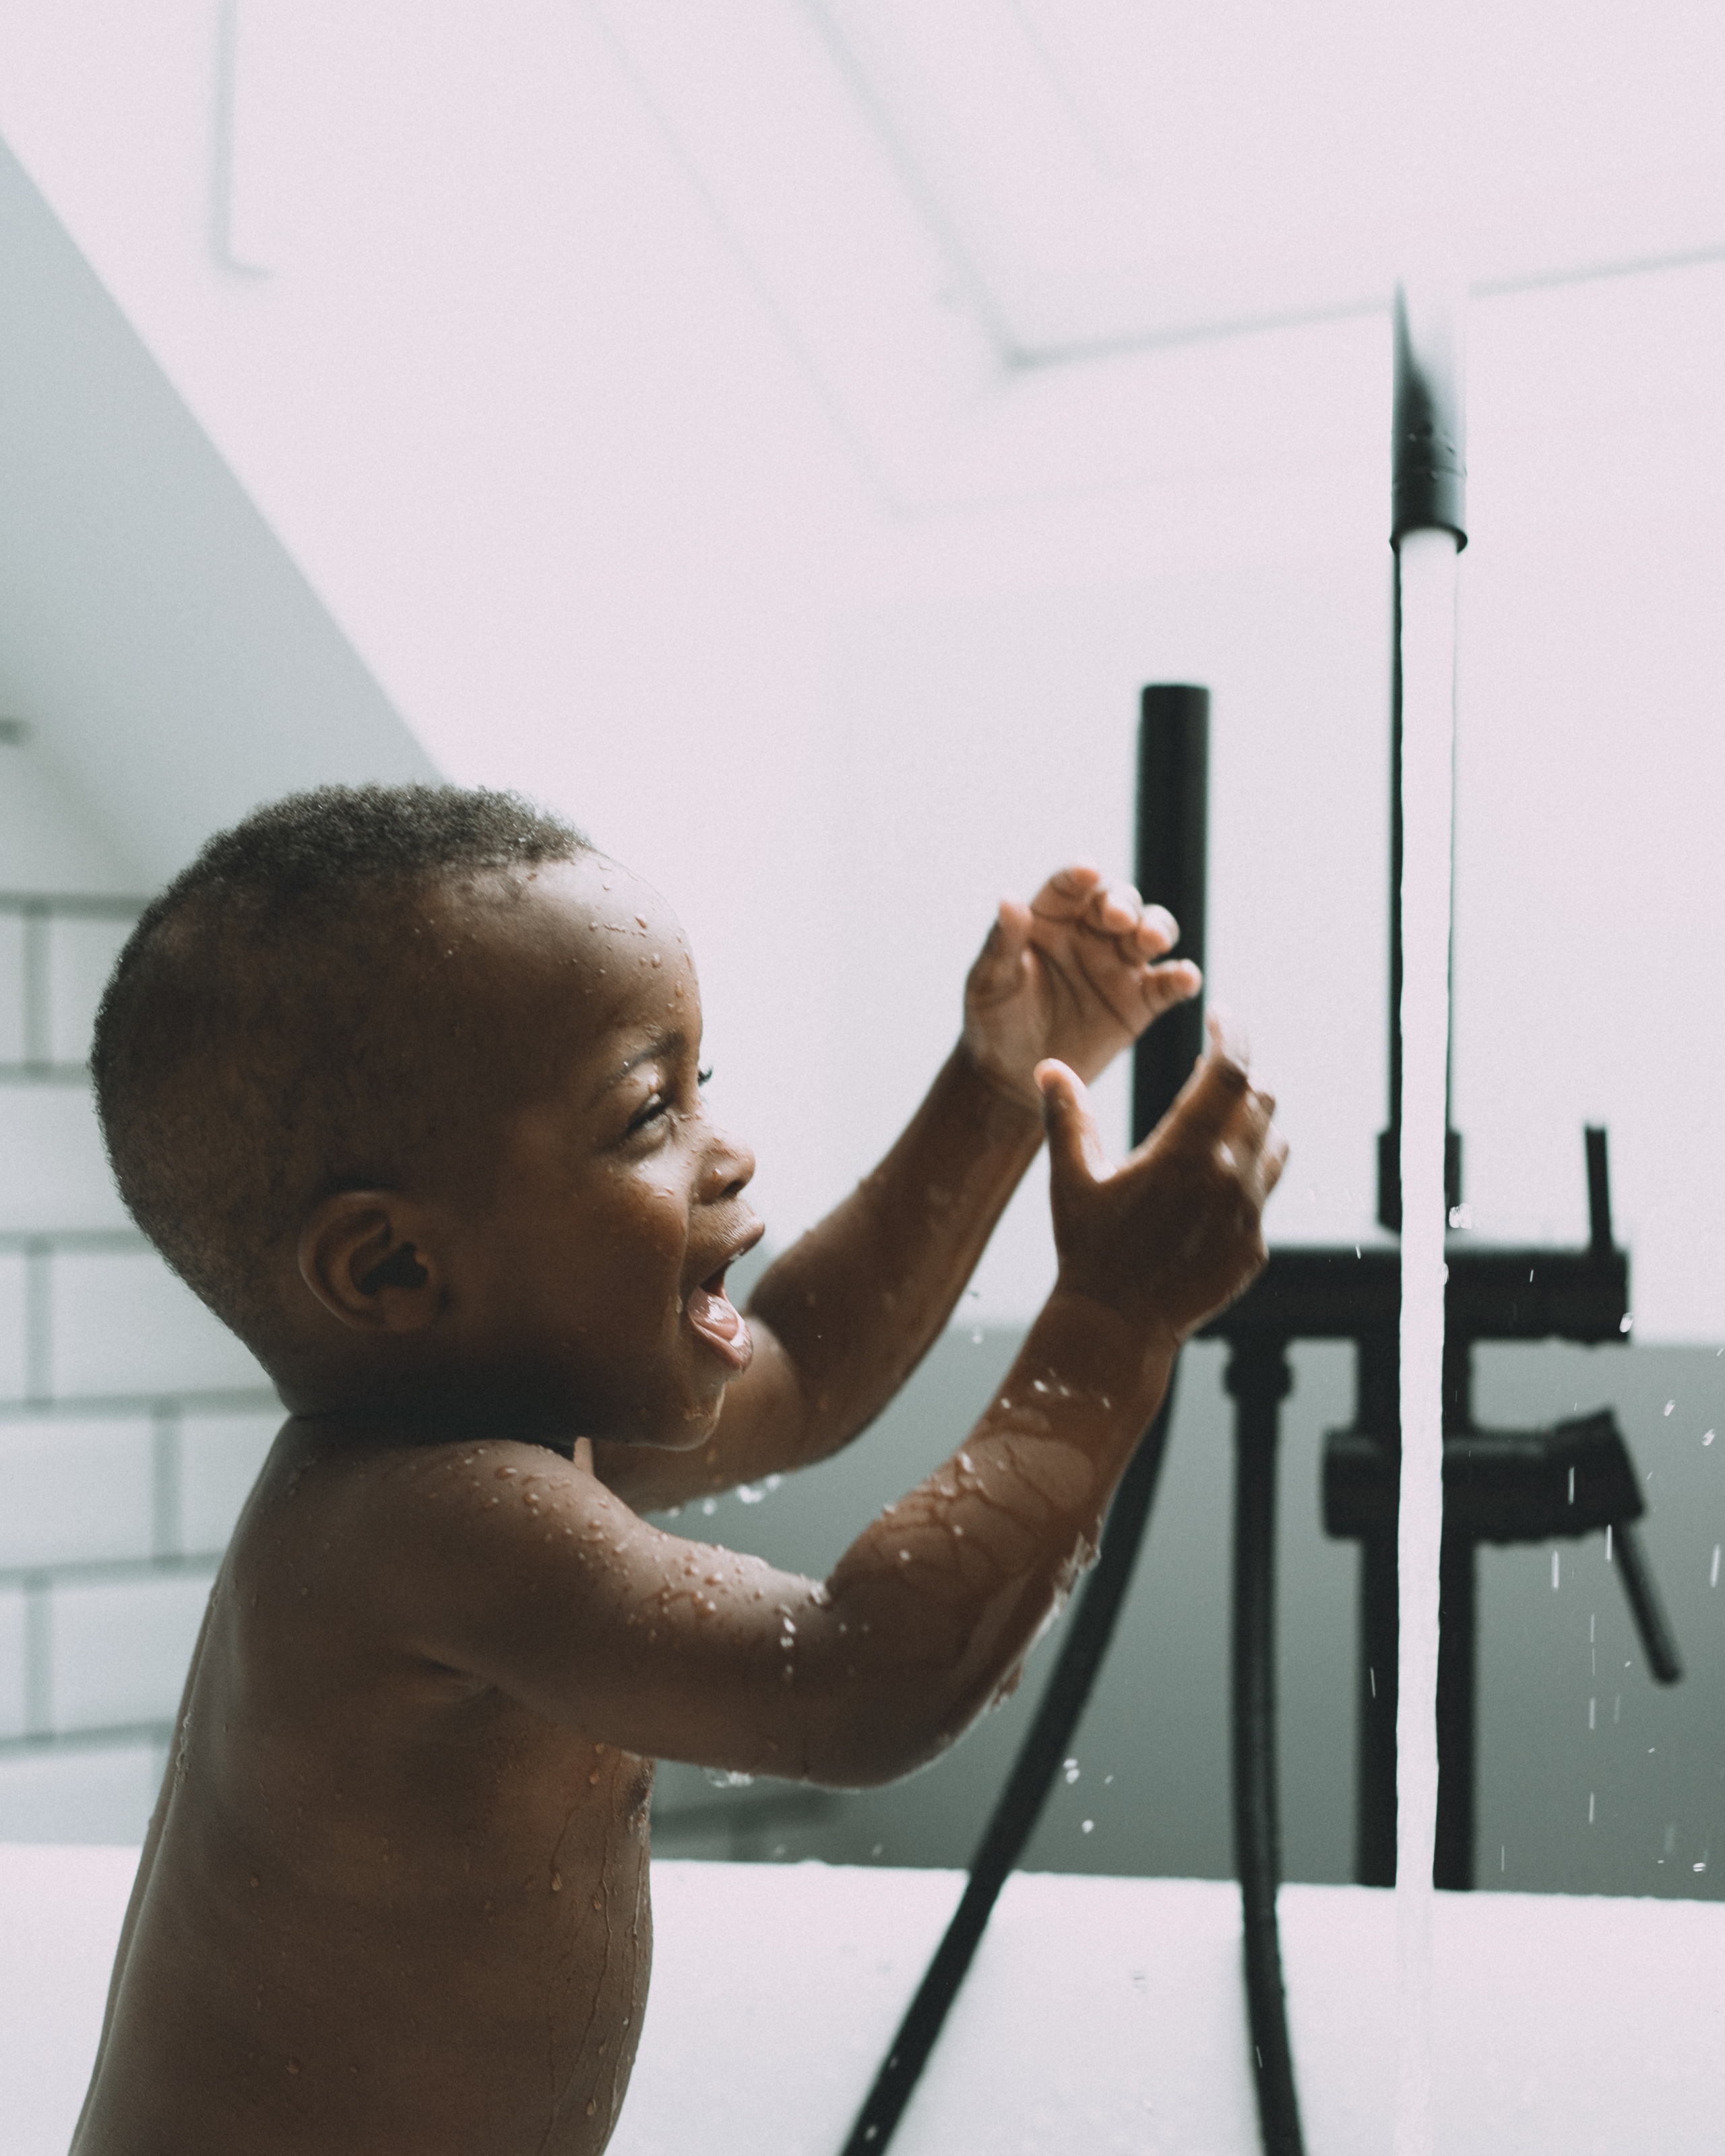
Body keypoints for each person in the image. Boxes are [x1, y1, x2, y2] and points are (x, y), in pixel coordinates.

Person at [73, 784, 1285, 2155]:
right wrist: (1111, 1324)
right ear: (395, 1265)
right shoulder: (426, 1523)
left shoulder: (509, 1438)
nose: (731, 1147)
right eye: (650, 1111)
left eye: (700, 1085)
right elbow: (856, 1677)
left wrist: (999, 1087)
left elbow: (810, 1366)